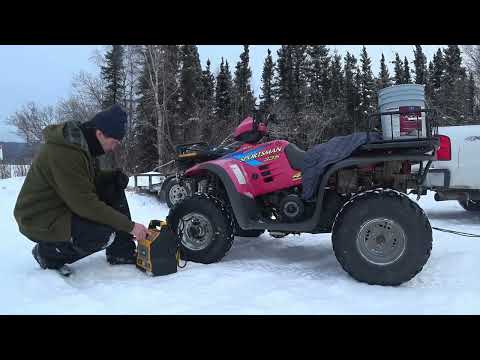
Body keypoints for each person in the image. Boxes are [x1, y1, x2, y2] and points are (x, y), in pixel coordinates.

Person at [14, 104, 149, 272]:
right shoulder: (66, 152)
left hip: (62, 204)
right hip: (40, 216)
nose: (114, 147)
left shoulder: (84, 145)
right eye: (113, 142)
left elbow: (86, 180)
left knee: (112, 185)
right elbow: (85, 204)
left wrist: (112, 177)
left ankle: (120, 251)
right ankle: (47, 253)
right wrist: (130, 226)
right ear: (100, 133)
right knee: (100, 235)